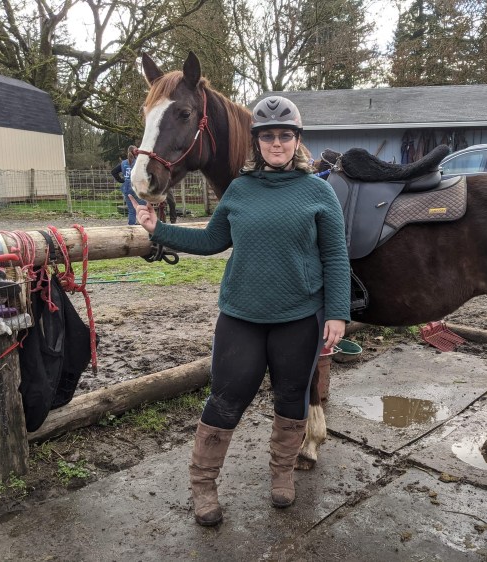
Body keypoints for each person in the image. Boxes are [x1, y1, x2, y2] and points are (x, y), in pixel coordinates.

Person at [129, 96, 350, 526]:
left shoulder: (319, 192)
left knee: (292, 397)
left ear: (297, 140)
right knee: (226, 399)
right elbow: (212, 241)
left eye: (284, 135)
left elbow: (335, 257)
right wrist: (159, 229)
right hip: (242, 317)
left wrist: (337, 313)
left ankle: (282, 473)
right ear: (256, 142)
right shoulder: (240, 189)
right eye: (268, 136)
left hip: (298, 318)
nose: (276, 143)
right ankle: (203, 485)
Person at [112, 145, 146, 225]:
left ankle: (131, 226)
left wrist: (121, 180)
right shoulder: (138, 162)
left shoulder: (123, 163)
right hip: (136, 187)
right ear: (135, 152)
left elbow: (113, 172)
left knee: (131, 210)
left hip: (126, 187)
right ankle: (144, 224)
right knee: (143, 207)